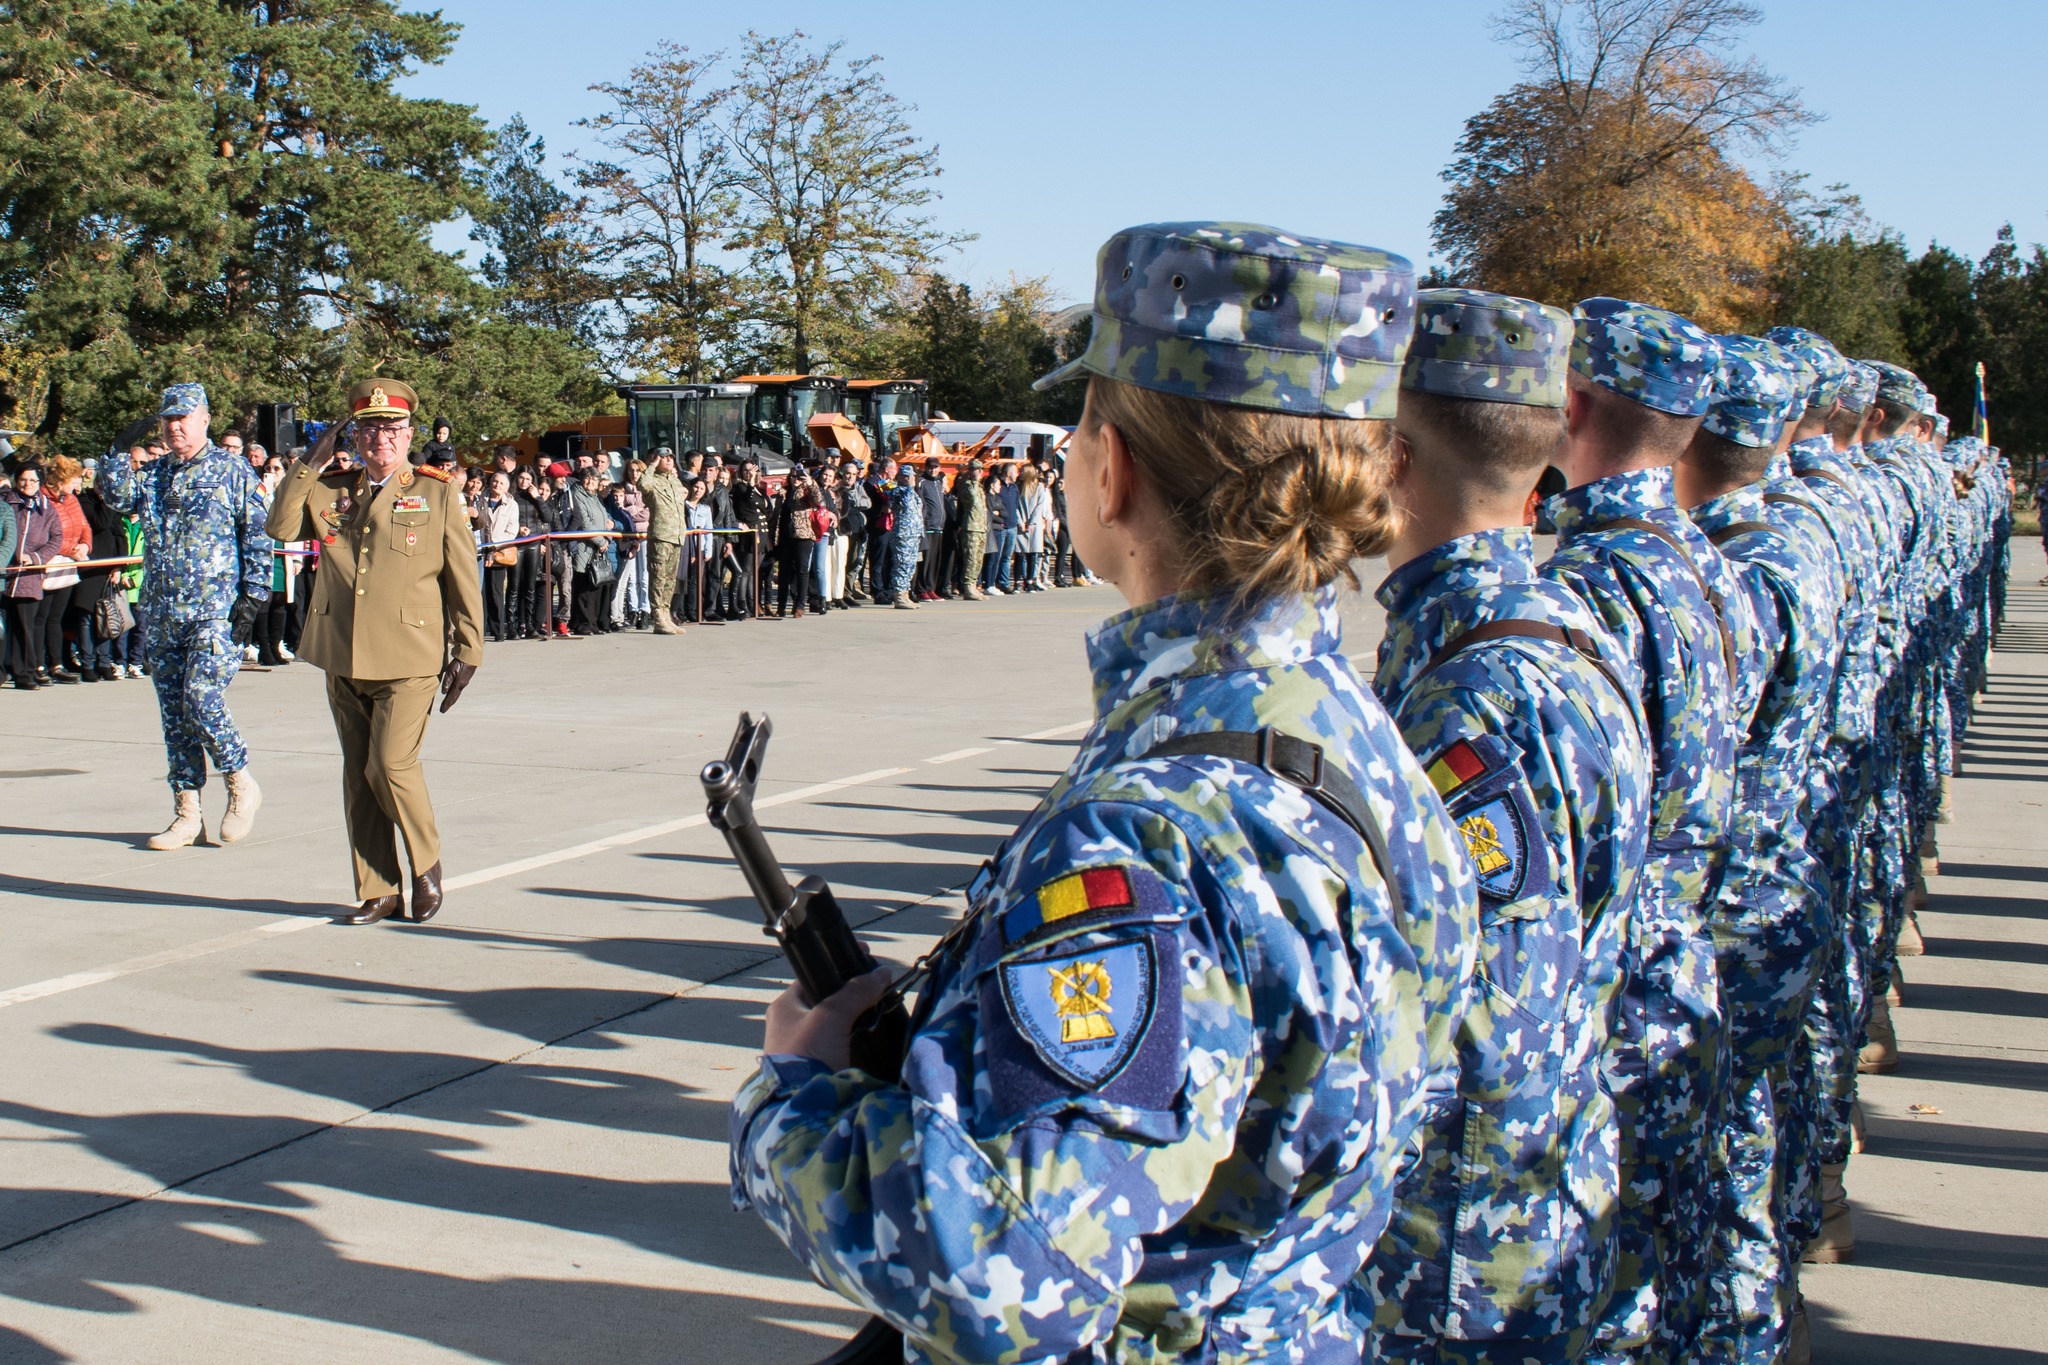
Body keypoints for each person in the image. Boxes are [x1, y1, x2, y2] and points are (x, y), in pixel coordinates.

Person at [731, 220, 1478, 1362]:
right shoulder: (1349, 730)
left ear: (1111, 468)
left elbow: (1006, 1280)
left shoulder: (1143, 831)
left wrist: (791, 1103)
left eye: (1082, 423)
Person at [1359, 289, 1652, 1364]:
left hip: (1462, 1236)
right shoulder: (1555, 621)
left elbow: (1486, 1015)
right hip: (1538, 1180)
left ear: (1385, 456)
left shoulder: (1469, 687)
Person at [1539, 301, 1759, 1364]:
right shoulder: (1705, 560)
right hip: (1684, 961)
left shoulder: (1591, 585)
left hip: (1612, 1000)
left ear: (1568, 405)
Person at [1676, 336, 1845, 1365]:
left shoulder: (1732, 572)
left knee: (1718, 1165)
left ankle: (1749, 1327)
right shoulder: (1792, 540)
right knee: (1745, 1138)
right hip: (1776, 873)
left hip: (1728, 903)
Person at [264, 379, 483, 926]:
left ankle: (426, 864)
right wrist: (309, 461)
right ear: (353, 434)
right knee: (357, 773)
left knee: (390, 763)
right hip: (342, 650)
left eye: (391, 429)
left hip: (410, 653)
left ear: (410, 434)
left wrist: (469, 648)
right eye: (368, 428)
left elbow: (461, 576)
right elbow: (279, 526)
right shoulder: (328, 487)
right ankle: (379, 888)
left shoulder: (435, 491)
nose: (379, 439)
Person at [98, 386, 273, 849]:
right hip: (162, 612)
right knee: (174, 715)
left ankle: (239, 781)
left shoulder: (232, 471)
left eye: (184, 418)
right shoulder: (153, 476)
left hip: (214, 612)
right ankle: (187, 811)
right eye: (167, 419)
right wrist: (118, 453)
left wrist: (253, 598)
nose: (175, 427)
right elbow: (115, 499)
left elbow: (257, 534)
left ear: (205, 420)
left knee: (201, 697)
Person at [3, 465, 62, 690]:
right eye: (23, 480)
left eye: (33, 480)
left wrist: (36, 558)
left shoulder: (47, 509)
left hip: (29, 575)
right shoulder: (8, 503)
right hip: (5, 572)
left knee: (24, 626)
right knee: (4, 626)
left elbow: (56, 538)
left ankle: (25, 672)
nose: (28, 484)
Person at [41, 456, 91, 681]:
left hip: (68, 563)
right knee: (43, 616)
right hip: (47, 562)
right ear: (61, 480)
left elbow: (83, 525)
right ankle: (42, 664)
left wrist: (85, 545)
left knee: (59, 617)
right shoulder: (43, 499)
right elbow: (44, 536)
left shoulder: (71, 499)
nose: (76, 485)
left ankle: (58, 661)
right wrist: (73, 549)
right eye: (73, 481)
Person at [564, 465, 615, 636]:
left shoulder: (594, 497)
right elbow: (585, 522)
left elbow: (604, 519)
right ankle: (582, 623)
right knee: (584, 586)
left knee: (595, 586)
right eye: (588, 478)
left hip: (598, 548)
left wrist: (607, 536)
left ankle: (593, 622)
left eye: (594, 479)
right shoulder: (577, 495)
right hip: (584, 547)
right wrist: (600, 540)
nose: (591, 482)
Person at [641, 448, 687, 634]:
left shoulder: (674, 481)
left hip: (676, 535)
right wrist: (651, 465)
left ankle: (666, 614)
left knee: (669, 579)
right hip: (660, 535)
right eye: (663, 457)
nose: (668, 460)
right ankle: (658, 617)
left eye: (670, 457)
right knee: (658, 577)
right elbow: (643, 485)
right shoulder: (652, 480)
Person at [478, 470, 519, 641]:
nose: (497, 485)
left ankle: (497, 630)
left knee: (496, 592)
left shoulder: (511, 504)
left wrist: (493, 541)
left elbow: (512, 531)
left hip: (498, 551)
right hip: (480, 551)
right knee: (481, 591)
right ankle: (480, 629)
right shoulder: (480, 499)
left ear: (507, 487)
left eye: (502, 483)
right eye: (495, 481)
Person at [886, 460, 922, 609]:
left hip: (913, 534)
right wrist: (909, 487)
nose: (908, 479)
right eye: (905, 476)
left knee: (910, 565)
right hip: (903, 534)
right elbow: (905, 504)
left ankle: (905, 594)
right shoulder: (898, 491)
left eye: (910, 476)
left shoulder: (913, 492)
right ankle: (899, 596)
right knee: (902, 564)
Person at [1016, 462, 1052, 592]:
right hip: (1021, 524)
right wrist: (1020, 521)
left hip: (1034, 524)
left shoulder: (1039, 487)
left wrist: (1031, 522)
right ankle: (1018, 581)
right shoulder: (1018, 487)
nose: (1019, 473)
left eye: (1021, 471)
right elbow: (1015, 507)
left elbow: (1040, 506)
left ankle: (1030, 580)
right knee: (1020, 553)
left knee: (1033, 553)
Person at [957, 455, 989, 600]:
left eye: (979, 470)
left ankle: (974, 585)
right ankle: (968, 586)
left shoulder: (980, 487)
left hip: (981, 527)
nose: (978, 472)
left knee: (978, 558)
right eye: (974, 470)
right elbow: (970, 500)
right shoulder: (967, 486)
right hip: (971, 527)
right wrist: (973, 481)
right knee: (970, 558)